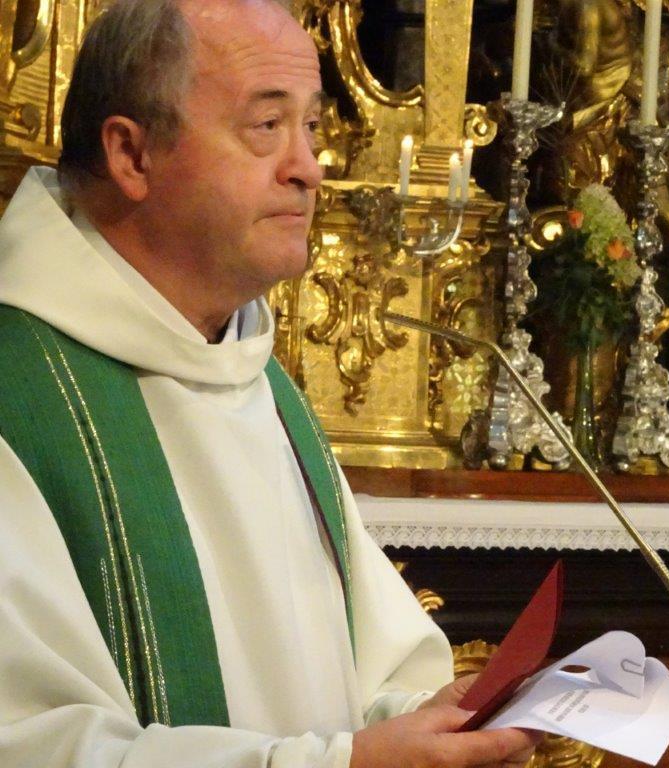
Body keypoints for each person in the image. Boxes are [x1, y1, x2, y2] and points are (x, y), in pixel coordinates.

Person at [0, 1, 538, 767]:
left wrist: (430, 721)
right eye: (266, 125)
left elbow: (361, 680)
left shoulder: (255, 375)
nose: (309, 166)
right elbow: (28, 743)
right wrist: (348, 762)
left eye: (310, 126)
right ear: (132, 154)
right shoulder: (21, 394)